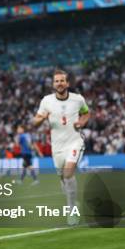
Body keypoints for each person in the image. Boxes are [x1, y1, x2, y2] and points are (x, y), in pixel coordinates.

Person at [33, 69, 89, 225]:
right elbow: (34, 122)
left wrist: (82, 122)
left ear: (67, 83)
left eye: (62, 80)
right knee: (63, 179)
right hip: (57, 146)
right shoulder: (46, 101)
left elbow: (86, 113)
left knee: (68, 173)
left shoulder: (78, 99)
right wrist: (41, 118)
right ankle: (73, 202)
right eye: (56, 81)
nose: (59, 83)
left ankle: (71, 210)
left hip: (75, 141)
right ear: (53, 84)